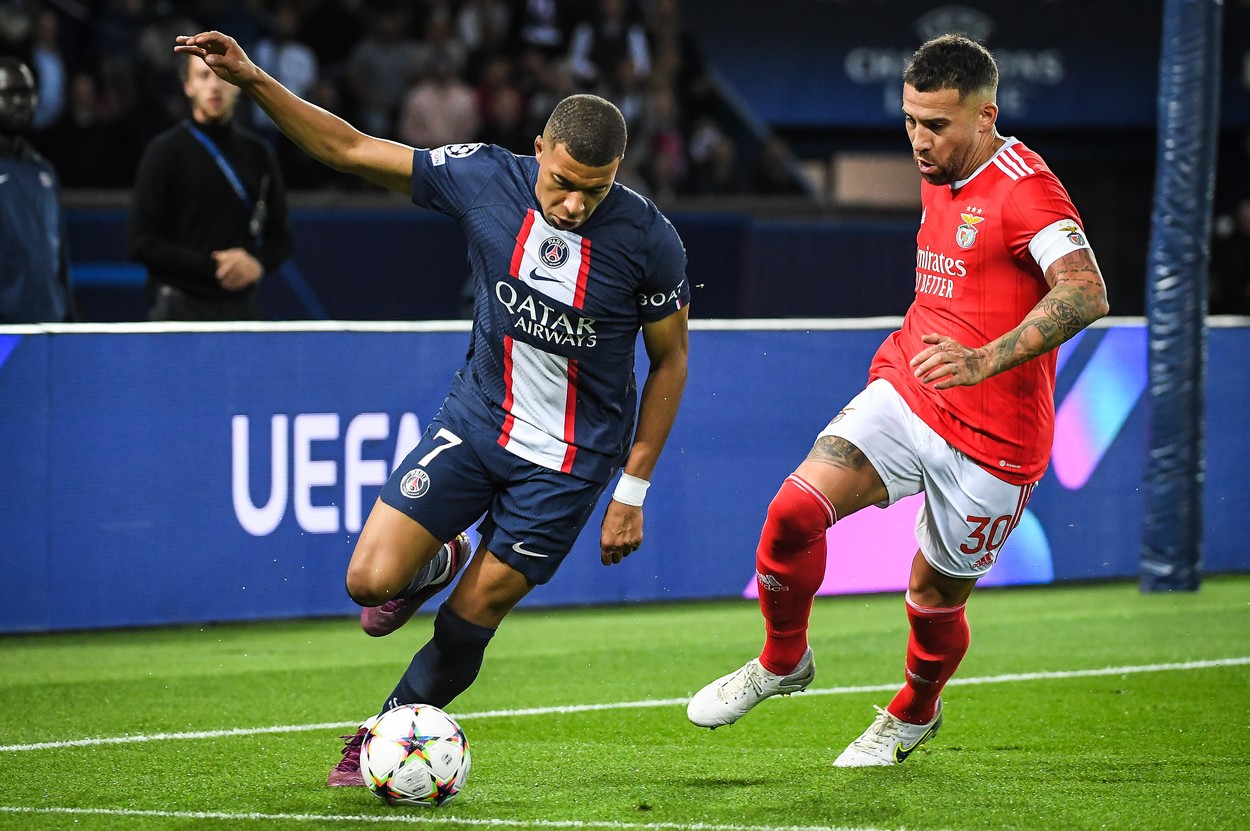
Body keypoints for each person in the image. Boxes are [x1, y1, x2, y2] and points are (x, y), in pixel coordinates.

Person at [172, 30, 690, 786]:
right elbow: (349, 149)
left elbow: (671, 359)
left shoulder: (650, 241)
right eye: (564, 181)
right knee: (368, 581)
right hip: (479, 422)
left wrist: (633, 488)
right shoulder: (484, 178)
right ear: (538, 147)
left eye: (597, 187)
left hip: (569, 466)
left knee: (464, 623)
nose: (575, 203)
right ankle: (440, 555)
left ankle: (382, 731)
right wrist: (253, 79)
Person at [686, 34, 1109, 767]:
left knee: (934, 594)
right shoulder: (937, 165)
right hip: (913, 385)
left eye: (936, 124)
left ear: (986, 117)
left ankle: (914, 710)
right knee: (792, 510)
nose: (918, 138)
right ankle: (783, 659)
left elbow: (1086, 289)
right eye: (910, 119)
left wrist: (984, 357)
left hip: (996, 437)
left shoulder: (1024, 187)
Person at [129, 49, 293, 321]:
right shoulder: (164, 152)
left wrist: (257, 263)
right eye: (204, 76)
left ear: (239, 85)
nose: (214, 86)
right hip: (177, 309)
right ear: (188, 86)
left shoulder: (258, 153)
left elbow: (282, 237)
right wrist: (213, 267)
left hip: (240, 309)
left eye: (224, 76)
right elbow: (141, 242)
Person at [0, 57, 75, 324]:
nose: (20, 102)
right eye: (9, 94)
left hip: (50, 327)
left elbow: (59, 258)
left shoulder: (44, 171)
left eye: (27, 93)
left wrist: (69, 319)